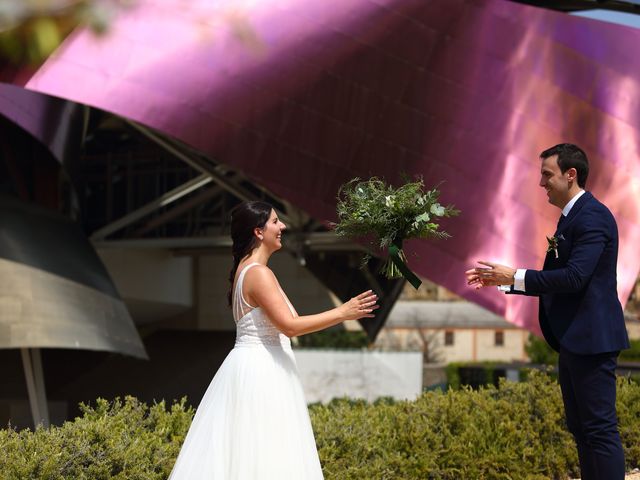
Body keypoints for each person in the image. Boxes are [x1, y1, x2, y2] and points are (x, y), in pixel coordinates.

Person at [168, 200, 379, 480]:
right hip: (263, 373)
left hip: (255, 368)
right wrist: (343, 312)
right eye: (276, 221)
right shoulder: (258, 274)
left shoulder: (248, 271)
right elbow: (290, 327)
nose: (284, 226)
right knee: (268, 455)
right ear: (258, 231)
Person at [465, 144, 629, 480]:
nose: (541, 183)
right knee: (581, 429)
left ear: (571, 175)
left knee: (599, 430)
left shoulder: (592, 216)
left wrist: (515, 276)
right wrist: (506, 281)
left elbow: (574, 277)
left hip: (592, 340)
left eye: (547, 175)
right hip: (575, 340)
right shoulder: (573, 216)